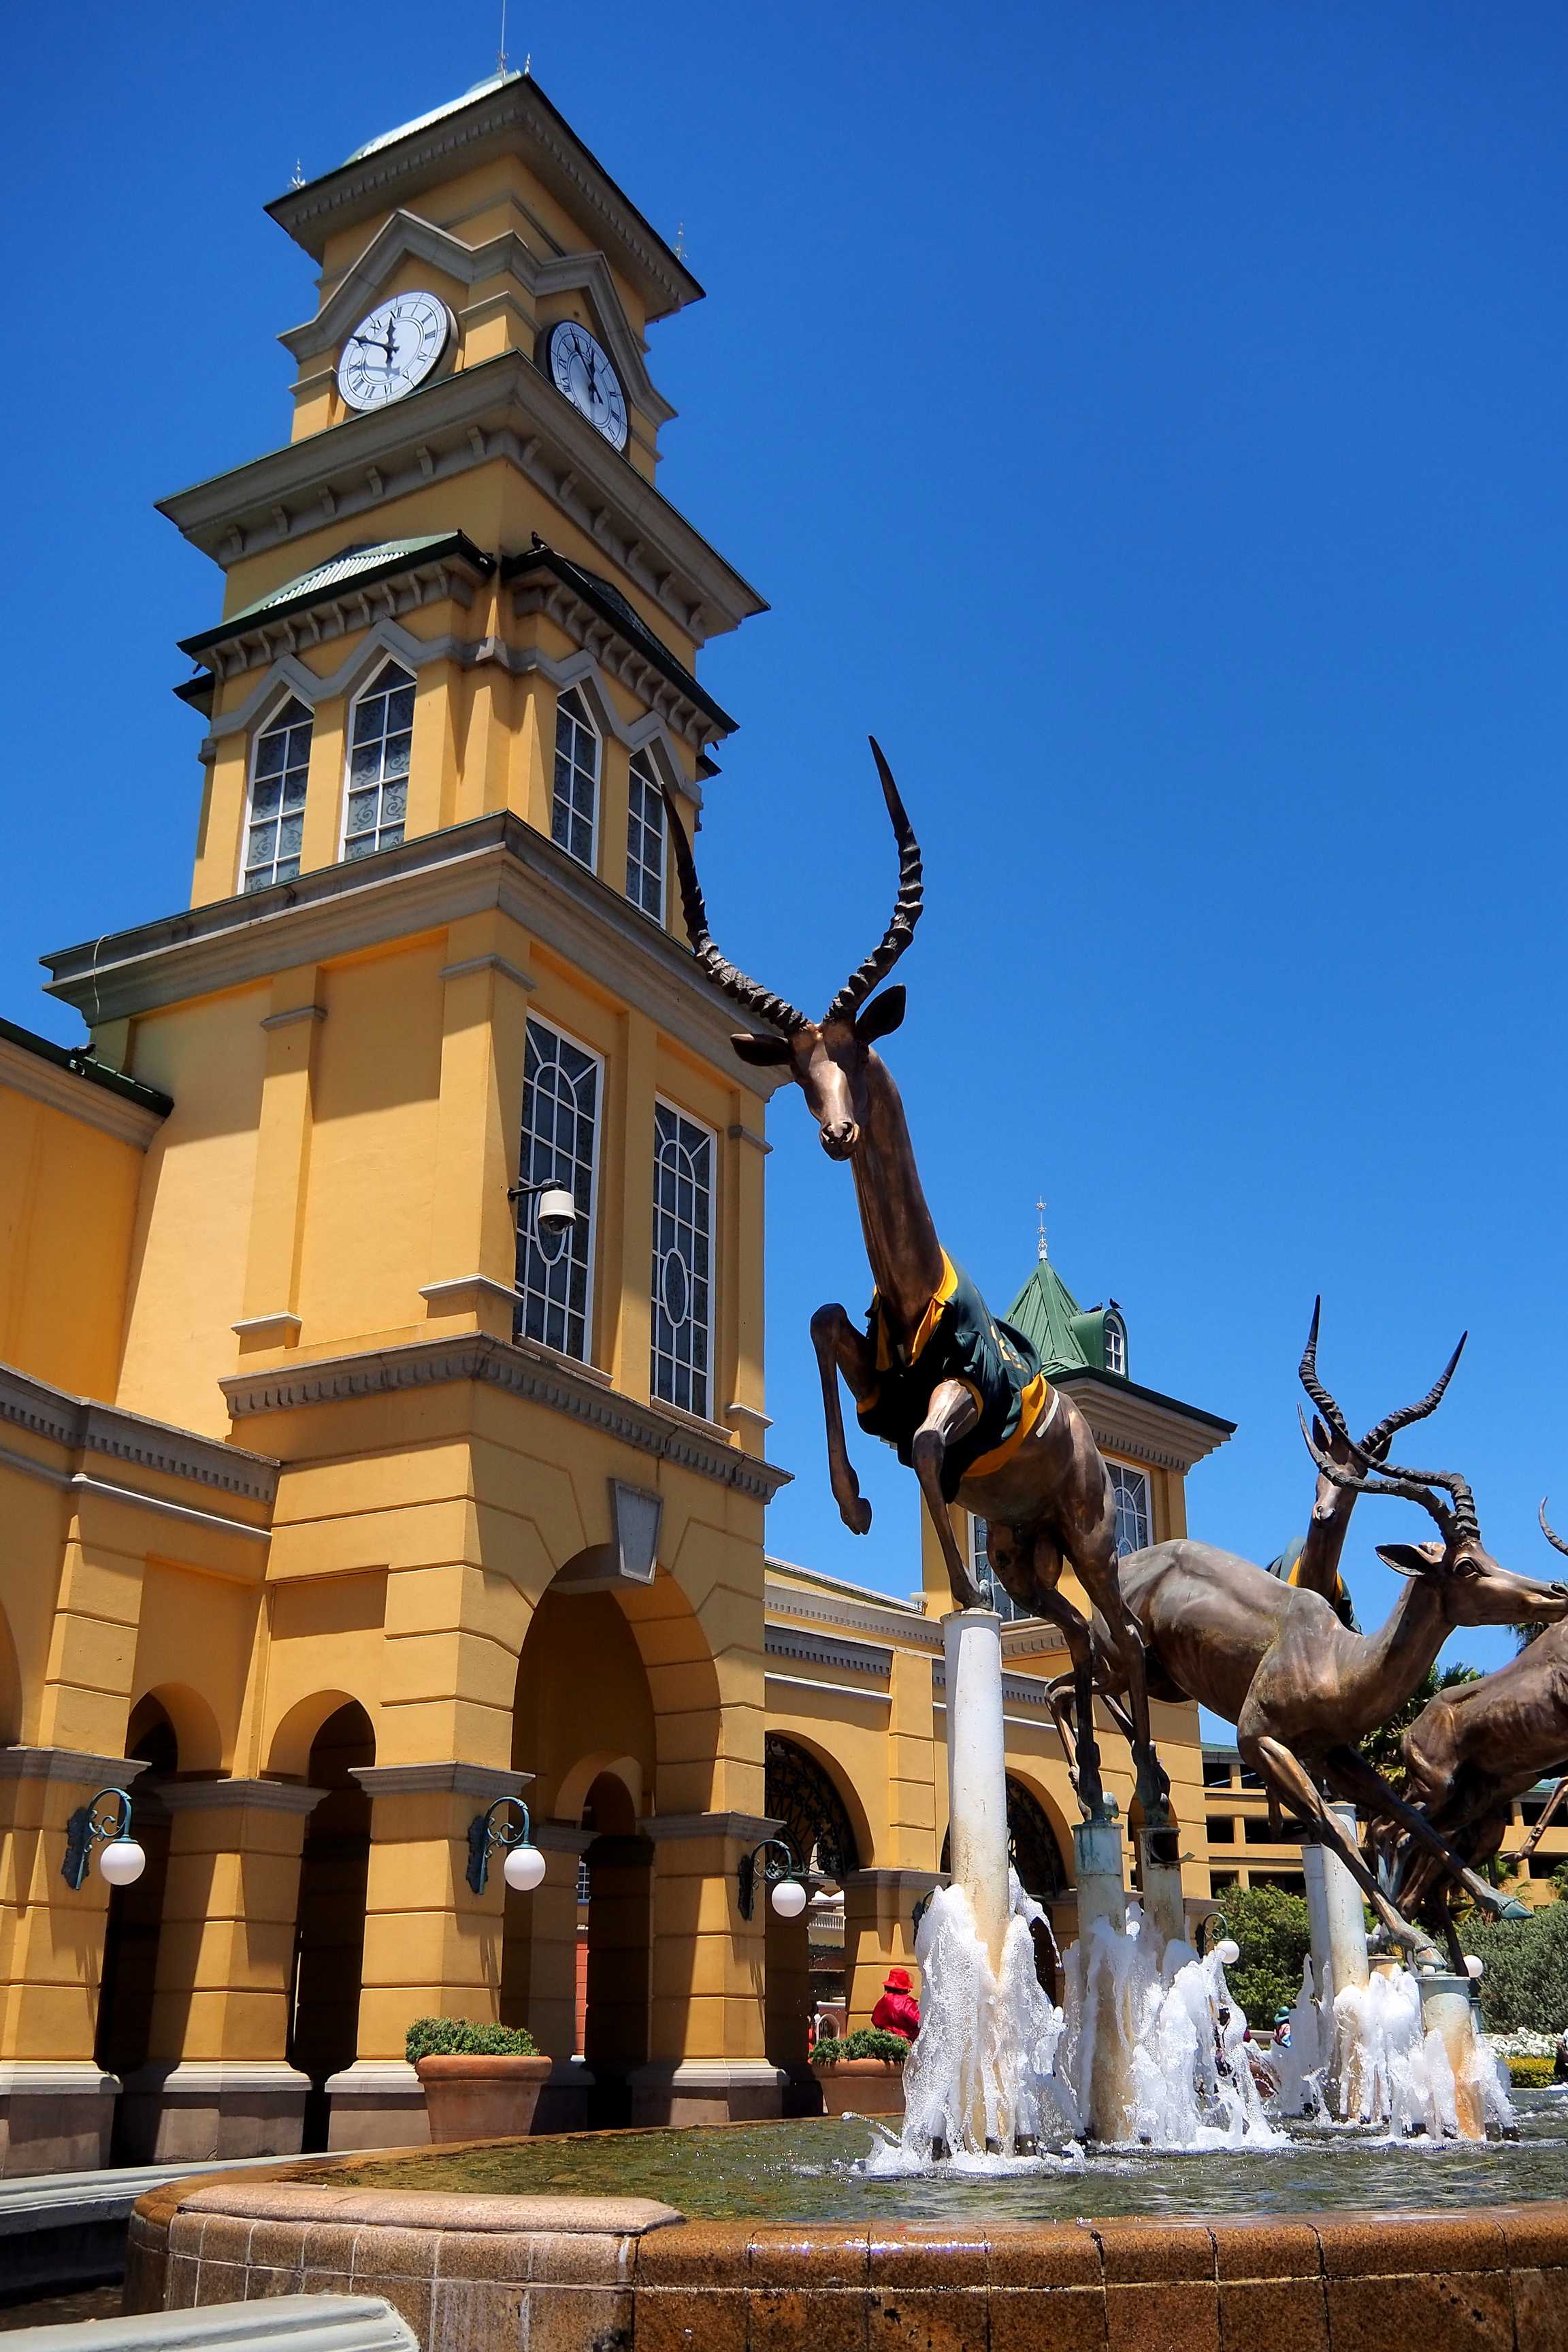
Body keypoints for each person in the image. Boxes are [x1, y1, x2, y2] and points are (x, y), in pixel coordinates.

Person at [871, 1966, 921, 2040]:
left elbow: (875, 2020)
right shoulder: (907, 2002)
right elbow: (919, 2021)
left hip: (884, 2040)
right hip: (904, 2042)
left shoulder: (883, 2001)